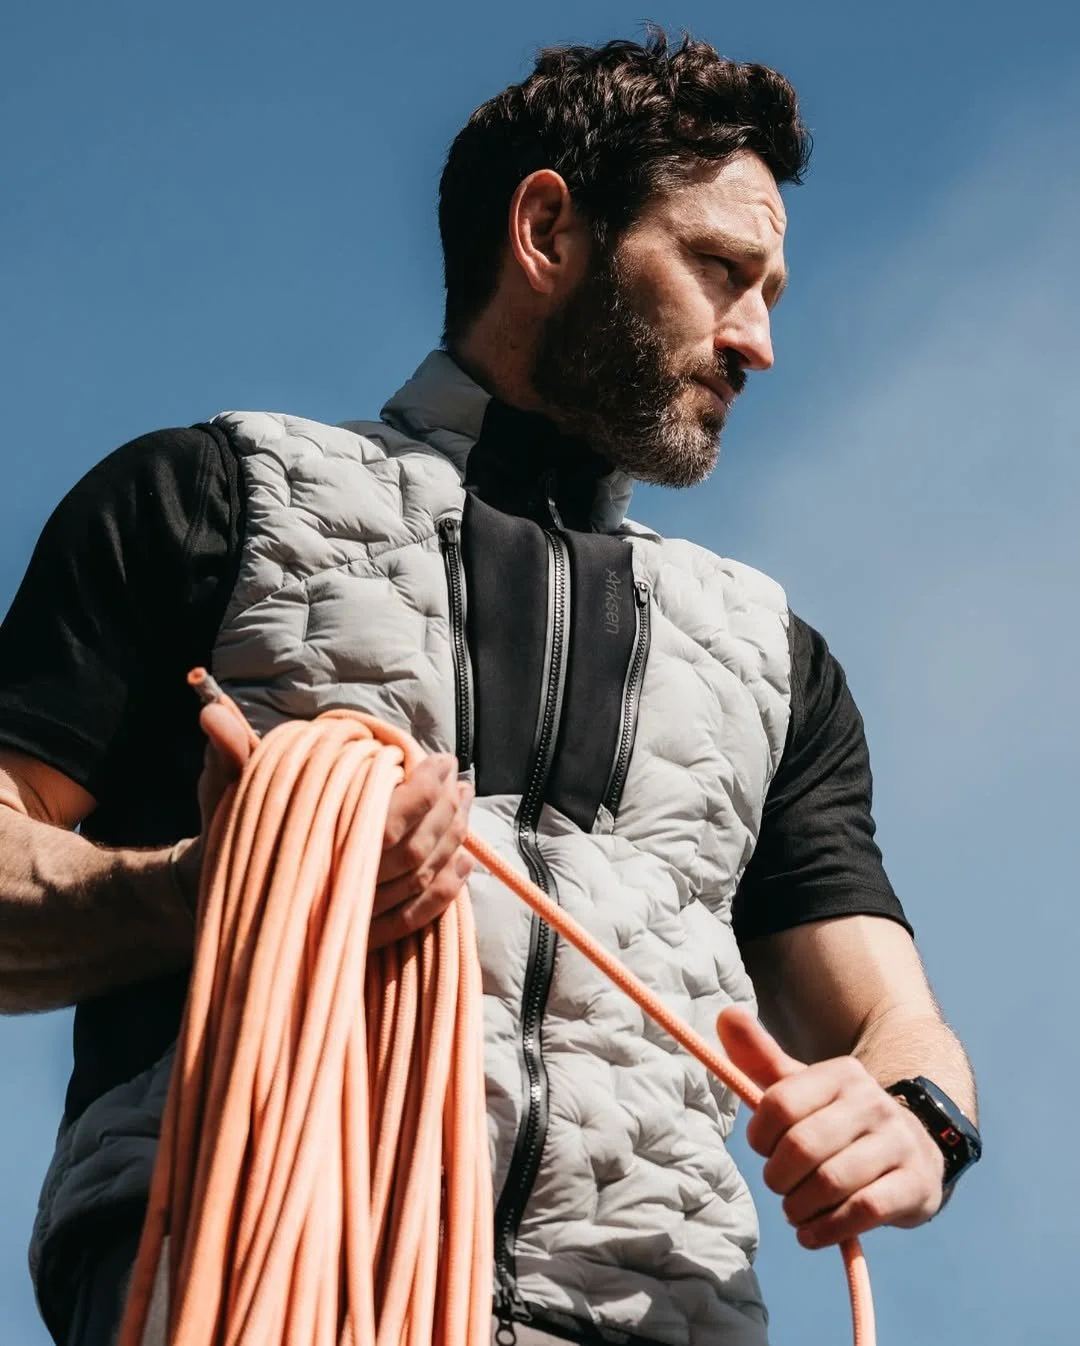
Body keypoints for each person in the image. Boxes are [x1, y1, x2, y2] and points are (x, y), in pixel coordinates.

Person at [0, 30, 980, 1346]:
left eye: (772, 292)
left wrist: (910, 1119)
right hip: (265, 1270)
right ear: (546, 231)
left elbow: (891, 1018)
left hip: (650, 1311)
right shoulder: (207, 502)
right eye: (721, 271)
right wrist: (203, 884)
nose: (757, 341)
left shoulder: (772, 663)